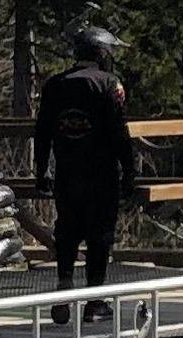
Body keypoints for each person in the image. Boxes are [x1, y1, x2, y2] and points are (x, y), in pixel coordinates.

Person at [34, 23, 137, 295]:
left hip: (67, 172)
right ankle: (94, 299)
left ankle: (65, 282)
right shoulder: (109, 84)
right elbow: (119, 132)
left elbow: (42, 131)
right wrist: (129, 170)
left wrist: (41, 169)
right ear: (102, 53)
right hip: (101, 174)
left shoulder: (54, 85)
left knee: (67, 230)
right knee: (99, 236)